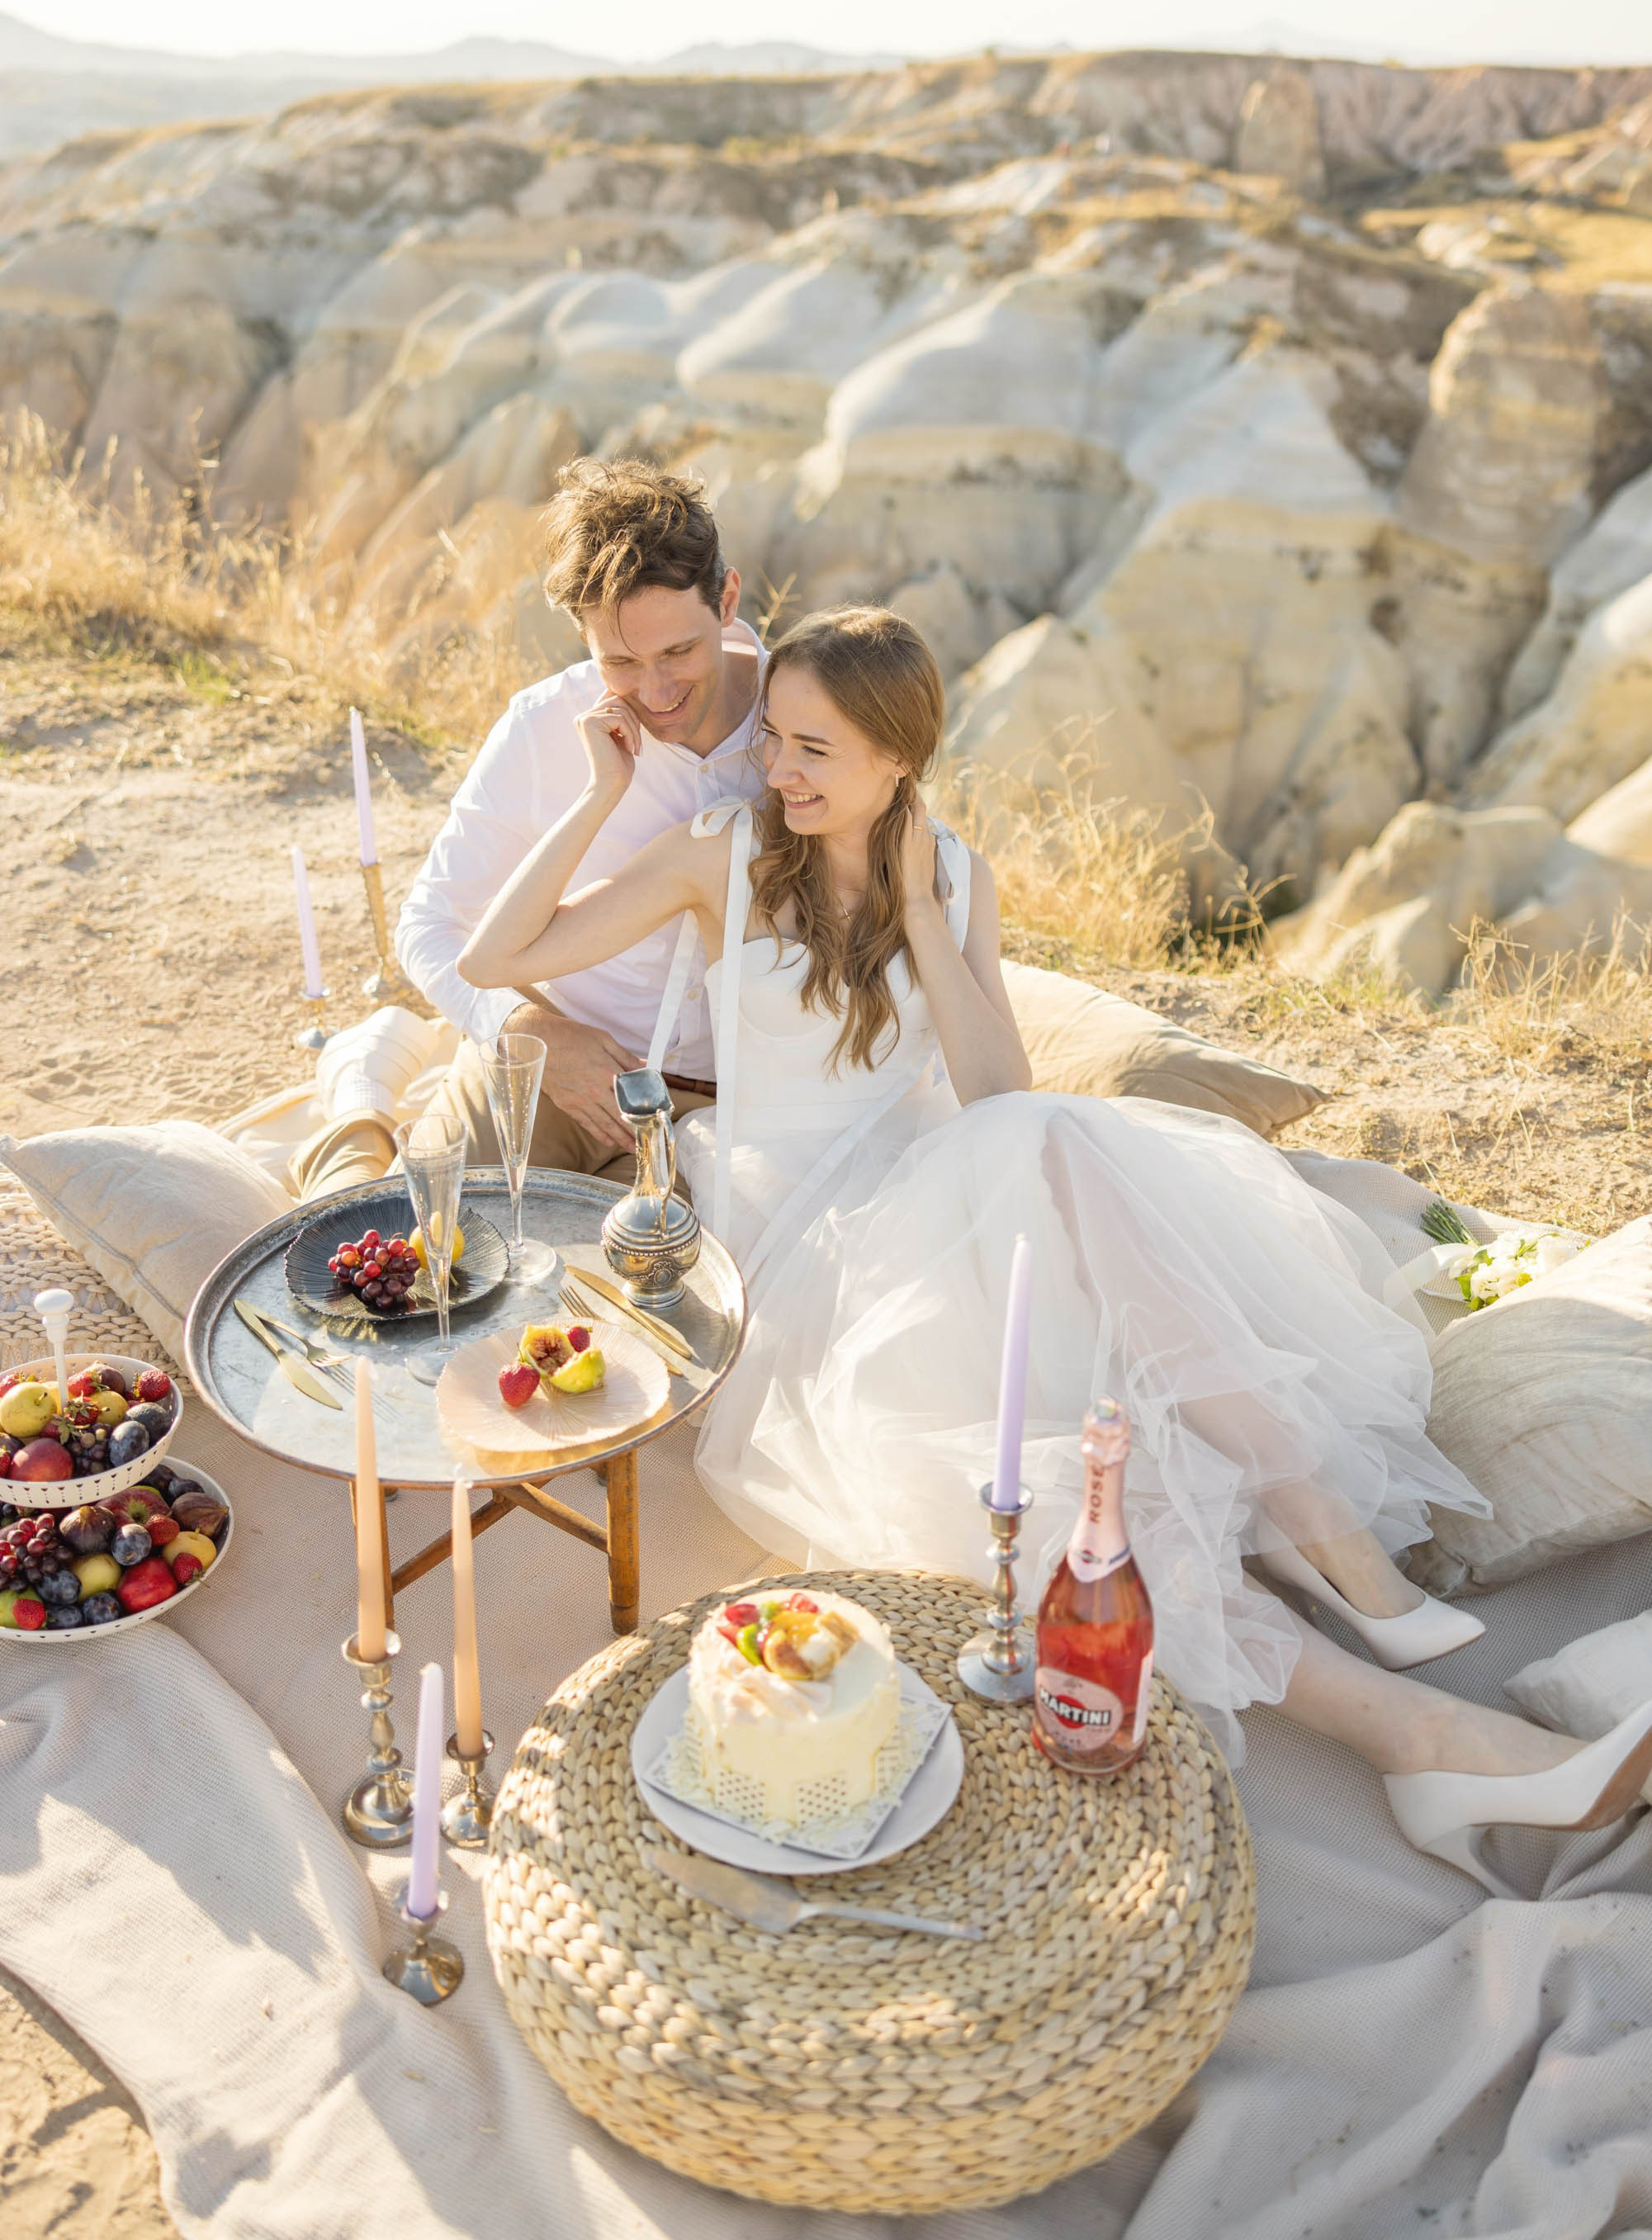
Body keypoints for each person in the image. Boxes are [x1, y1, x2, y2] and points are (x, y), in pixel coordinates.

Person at [457, 603, 1652, 1892]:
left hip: (945, 1182)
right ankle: (1411, 1713)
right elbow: (495, 954)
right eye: (777, 741)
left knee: (1064, 1194)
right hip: (793, 1231)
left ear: (895, 758)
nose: (775, 768)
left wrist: (919, 906)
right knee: (1034, 1449)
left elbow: (992, 1093)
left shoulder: (953, 870)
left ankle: (1345, 1575)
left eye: (812, 749)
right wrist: (595, 793)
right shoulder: (721, 849)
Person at [395, 457, 767, 1177]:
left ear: (724, 599)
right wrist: (523, 1029)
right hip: (539, 1073)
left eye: (678, 652)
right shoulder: (542, 725)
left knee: (653, 1287)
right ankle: (355, 1109)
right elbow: (431, 925)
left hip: (717, 1119)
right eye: (620, 661)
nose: (654, 691)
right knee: (410, 1259)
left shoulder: (803, 727)